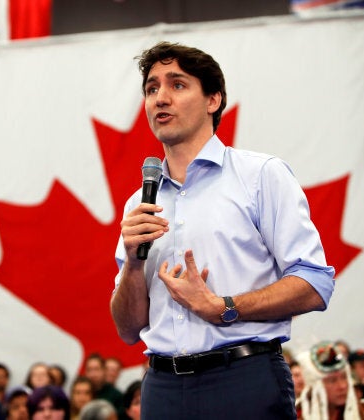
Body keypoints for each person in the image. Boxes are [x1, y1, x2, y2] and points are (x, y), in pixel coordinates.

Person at [109, 41, 336, 419]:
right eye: (151, 89)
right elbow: (129, 329)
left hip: (243, 381)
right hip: (161, 389)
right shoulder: (139, 204)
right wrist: (133, 265)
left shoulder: (260, 176)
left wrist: (224, 307)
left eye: (177, 85)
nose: (160, 98)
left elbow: (315, 283)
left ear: (213, 100)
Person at [296, 341, 364, 419]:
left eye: (344, 377)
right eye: (332, 380)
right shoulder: (297, 415)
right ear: (315, 385)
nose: (342, 386)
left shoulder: (357, 414)